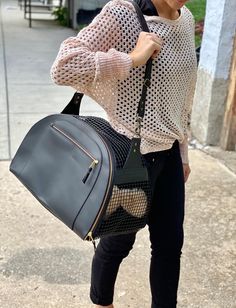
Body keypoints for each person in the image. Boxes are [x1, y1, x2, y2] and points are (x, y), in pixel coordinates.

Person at [50, 0, 197, 306]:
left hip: (169, 155)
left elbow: (183, 94)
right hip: (133, 155)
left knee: (170, 247)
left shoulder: (185, 20)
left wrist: (182, 152)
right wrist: (131, 58)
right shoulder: (122, 13)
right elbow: (64, 67)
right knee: (118, 243)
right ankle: (103, 302)